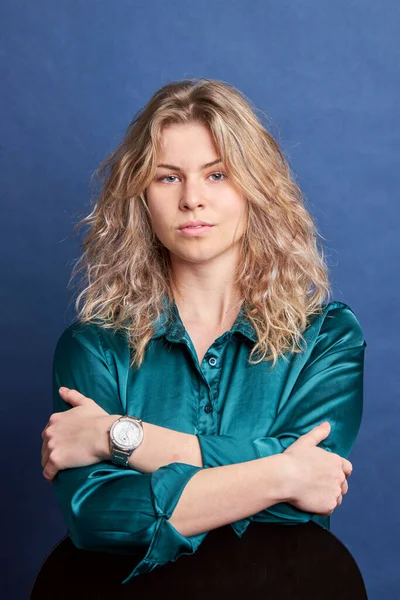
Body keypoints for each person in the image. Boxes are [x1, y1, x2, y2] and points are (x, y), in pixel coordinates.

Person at [41, 78, 366, 588]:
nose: (192, 198)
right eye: (168, 178)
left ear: (255, 189)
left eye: (217, 175)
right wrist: (281, 473)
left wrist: (120, 438)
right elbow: (98, 517)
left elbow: (303, 509)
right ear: (141, 197)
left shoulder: (326, 338)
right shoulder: (93, 347)